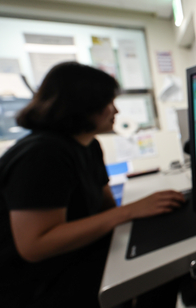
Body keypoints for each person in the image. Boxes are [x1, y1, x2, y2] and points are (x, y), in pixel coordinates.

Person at [0, 62, 185, 307]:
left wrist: (143, 210)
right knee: (163, 273)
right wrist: (130, 210)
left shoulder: (89, 145)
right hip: (38, 285)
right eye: (109, 103)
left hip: (76, 255)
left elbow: (105, 205)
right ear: (83, 106)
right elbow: (35, 245)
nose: (116, 111)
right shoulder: (42, 154)